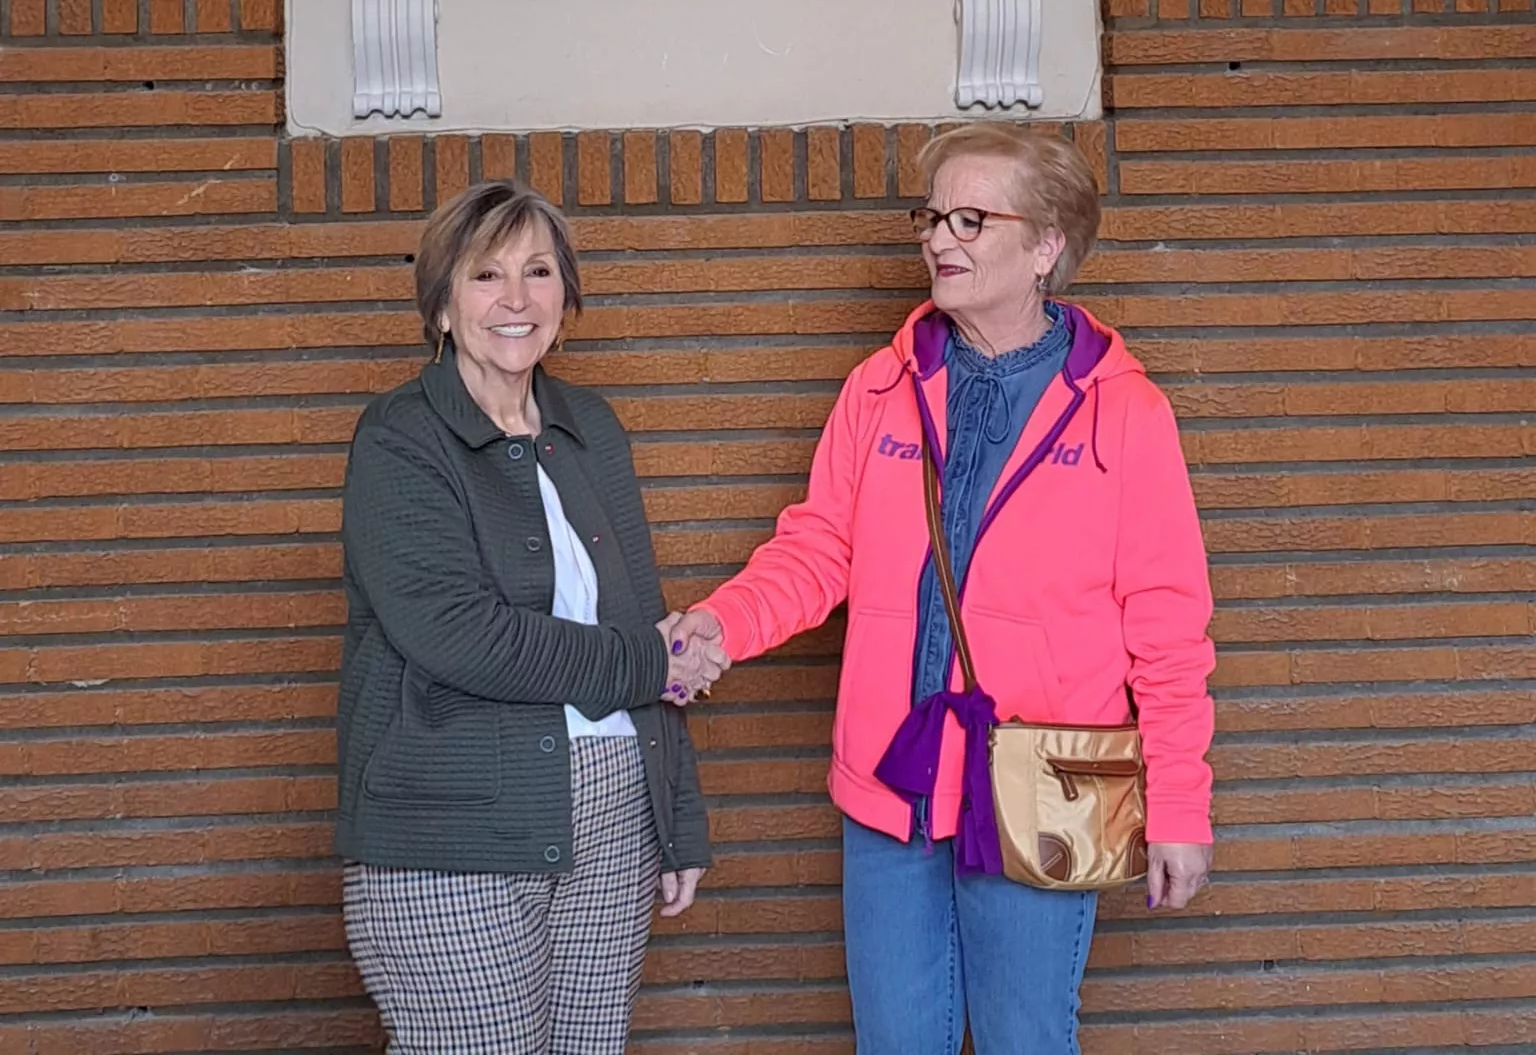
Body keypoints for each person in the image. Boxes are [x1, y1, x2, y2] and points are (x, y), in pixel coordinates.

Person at [668, 124, 1215, 1055]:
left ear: (1047, 247)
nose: (938, 239)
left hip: (1048, 789)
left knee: (1026, 1041)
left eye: (971, 218)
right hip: (895, 784)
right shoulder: (880, 389)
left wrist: (1178, 807)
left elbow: (1166, 629)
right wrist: (720, 624)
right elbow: (816, 551)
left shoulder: (1129, 411)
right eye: (932, 217)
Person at [335, 180, 721, 1055]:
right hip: (451, 828)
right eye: (486, 276)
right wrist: (650, 665)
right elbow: (459, 633)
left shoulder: (591, 426)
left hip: (615, 814)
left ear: (566, 298)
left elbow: (638, 619)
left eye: (539, 271)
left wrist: (677, 816)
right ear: (440, 306)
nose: (517, 299)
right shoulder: (399, 439)